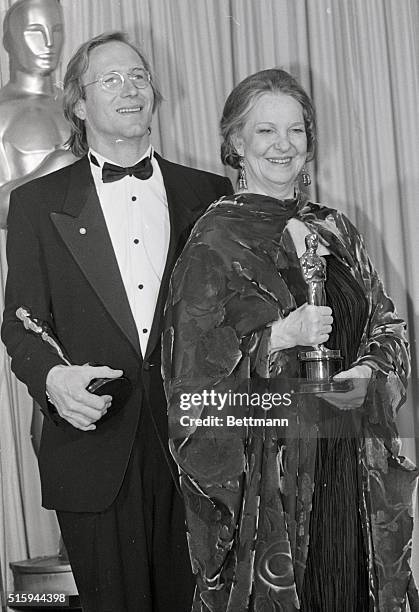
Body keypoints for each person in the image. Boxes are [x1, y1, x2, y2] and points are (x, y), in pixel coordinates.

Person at [162, 68, 418, 611]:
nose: (284, 145)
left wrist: (367, 372)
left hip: (350, 459)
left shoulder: (337, 228)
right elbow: (190, 380)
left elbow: (387, 324)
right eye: (265, 132)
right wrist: (277, 335)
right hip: (273, 482)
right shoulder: (213, 239)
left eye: (296, 131)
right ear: (235, 143)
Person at [1, 31, 232, 612]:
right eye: (111, 79)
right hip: (94, 446)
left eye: (139, 76)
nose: (130, 89)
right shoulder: (36, 204)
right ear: (78, 103)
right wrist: (53, 379)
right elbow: (20, 324)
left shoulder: (209, 194)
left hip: (196, 449)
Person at [0, 0, 76, 228]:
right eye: (34, 31)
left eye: (57, 30)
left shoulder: (80, 104)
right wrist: (54, 167)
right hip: (36, 253)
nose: (49, 43)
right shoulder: (3, 112)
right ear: (8, 42)